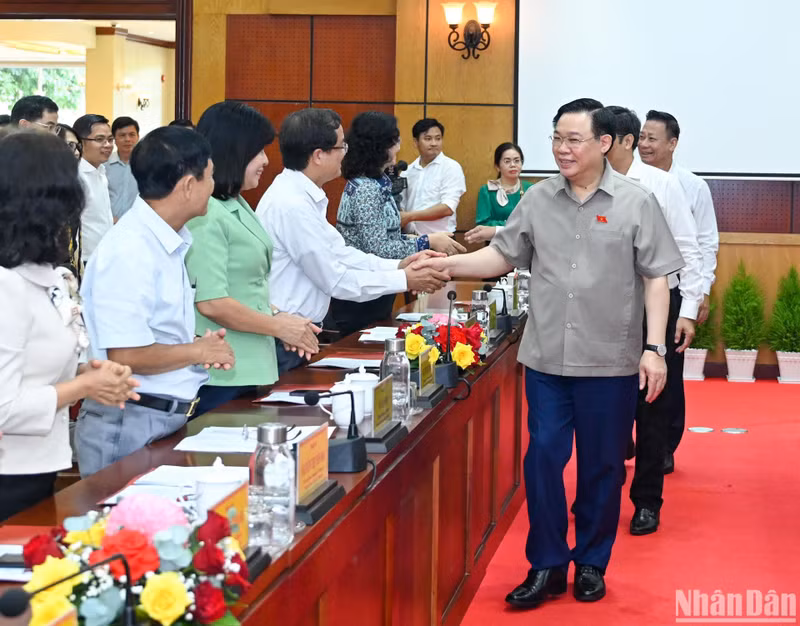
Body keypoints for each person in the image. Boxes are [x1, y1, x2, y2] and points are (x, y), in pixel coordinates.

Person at [413, 98, 683, 608]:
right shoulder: (537, 199)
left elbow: (655, 278)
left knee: (602, 467)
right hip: (546, 360)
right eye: (557, 137)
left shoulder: (635, 201)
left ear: (603, 143)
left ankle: (591, 563)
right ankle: (547, 563)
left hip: (609, 362)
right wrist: (448, 265)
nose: (562, 148)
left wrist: (654, 349)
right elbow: (501, 254)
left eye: (573, 139)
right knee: (542, 461)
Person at [76, 126, 235, 477]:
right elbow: (126, 355)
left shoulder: (166, 241)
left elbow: (152, 333)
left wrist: (194, 344)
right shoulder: (130, 249)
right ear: (188, 185)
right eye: (209, 177)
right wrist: (198, 352)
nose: (213, 187)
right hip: (129, 423)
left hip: (157, 418)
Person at [0, 131, 139, 521]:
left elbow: (34, 362)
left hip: (38, 466)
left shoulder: (43, 274)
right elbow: (4, 405)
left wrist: (87, 371)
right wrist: (83, 387)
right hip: (9, 474)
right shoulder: (6, 285)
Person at [255, 108, 450, 372]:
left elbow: (342, 253)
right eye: (340, 146)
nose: (345, 152)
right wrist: (404, 278)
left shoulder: (303, 197)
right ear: (318, 155)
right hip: (286, 337)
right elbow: (334, 278)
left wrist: (400, 265)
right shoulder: (291, 205)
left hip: (299, 333)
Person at [604, 105, 703, 535]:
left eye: (600, 139)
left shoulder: (661, 184)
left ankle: (647, 501)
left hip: (658, 305)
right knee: (605, 405)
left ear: (621, 141)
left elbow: (689, 249)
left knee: (652, 405)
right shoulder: (586, 185)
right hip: (604, 305)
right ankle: (601, 494)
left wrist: (687, 312)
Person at [186, 102, 320, 415]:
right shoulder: (206, 213)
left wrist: (282, 318)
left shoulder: (236, 202)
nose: (265, 160)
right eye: (257, 151)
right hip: (222, 367)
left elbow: (247, 284)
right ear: (234, 150)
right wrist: (278, 327)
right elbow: (212, 301)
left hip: (250, 359)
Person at [331, 111, 465, 336]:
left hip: (377, 286)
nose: (398, 146)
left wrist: (420, 241)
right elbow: (378, 248)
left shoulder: (376, 182)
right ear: (379, 145)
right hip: (362, 293)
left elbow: (387, 237)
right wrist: (426, 241)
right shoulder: (366, 188)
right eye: (394, 140)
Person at [640, 110, 720, 465]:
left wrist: (699, 293)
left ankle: (665, 446)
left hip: (673, 291)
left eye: (652, 139)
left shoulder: (692, 186)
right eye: (641, 137)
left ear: (672, 143)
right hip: (633, 293)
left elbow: (703, 244)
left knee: (668, 374)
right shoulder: (630, 180)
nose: (644, 145)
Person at [400, 118, 466, 235]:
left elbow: (447, 208)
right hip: (410, 239)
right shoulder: (408, 171)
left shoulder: (451, 167)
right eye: (428, 138)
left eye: (438, 138)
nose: (434, 143)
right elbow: (401, 204)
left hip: (441, 239)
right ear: (416, 142)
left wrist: (409, 217)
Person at [465, 142, 534, 244]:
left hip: (524, 244)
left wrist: (502, 225)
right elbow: (483, 224)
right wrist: (514, 225)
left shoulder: (531, 189)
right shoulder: (487, 191)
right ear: (497, 166)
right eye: (507, 161)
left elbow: (534, 221)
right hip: (496, 245)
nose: (513, 165)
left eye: (517, 161)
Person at [74, 114, 114, 260]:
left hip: (104, 255)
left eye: (110, 139)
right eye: (99, 139)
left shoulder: (101, 171)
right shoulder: (76, 176)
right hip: (84, 258)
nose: (108, 145)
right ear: (80, 142)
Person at [106, 116, 140, 220]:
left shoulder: (146, 166)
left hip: (138, 225)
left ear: (138, 137)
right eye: (122, 135)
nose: (127, 139)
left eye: (132, 135)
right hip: (110, 224)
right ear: (114, 139)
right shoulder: (104, 165)